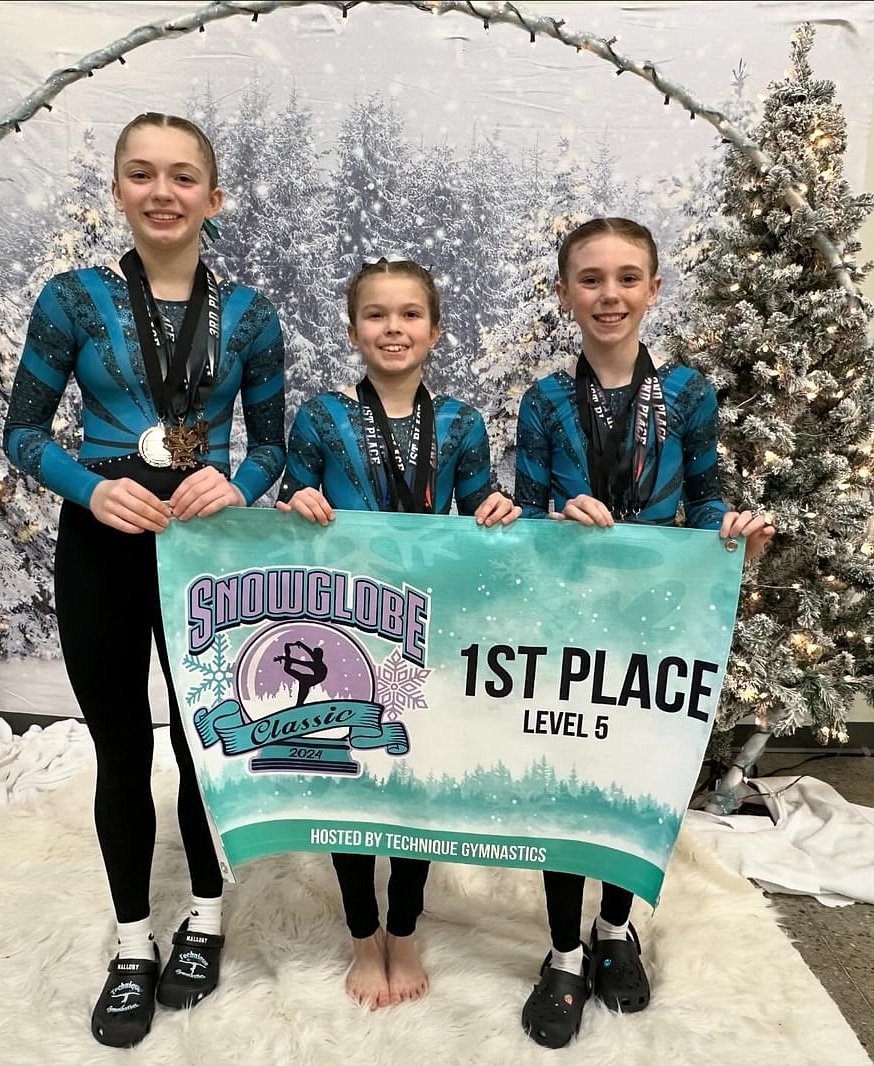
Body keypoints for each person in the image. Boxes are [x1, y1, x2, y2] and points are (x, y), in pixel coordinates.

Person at [2, 112, 285, 1048]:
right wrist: (90, 488)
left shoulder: (250, 314)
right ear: (119, 189)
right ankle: (132, 943)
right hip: (103, 549)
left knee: (208, 740)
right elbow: (25, 434)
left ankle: (203, 919)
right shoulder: (71, 300)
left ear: (214, 195)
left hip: (208, 552)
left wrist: (237, 481)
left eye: (182, 176)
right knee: (121, 748)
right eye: (142, 174)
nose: (162, 192)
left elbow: (274, 443)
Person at [513, 217, 774, 1049]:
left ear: (654, 290)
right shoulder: (545, 400)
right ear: (564, 294)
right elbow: (518, 513)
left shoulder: (691, 394)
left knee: (635, 774)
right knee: (566, 778)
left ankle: (613, 930)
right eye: (590, 279)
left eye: (628, 278)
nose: (609, 294)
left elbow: (703, 495)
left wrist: (728, 525)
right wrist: (553, 514)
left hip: (654, 618)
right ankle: (560, 952)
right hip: (569, 616)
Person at [277, 256, 520, 1010]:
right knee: (351, 779)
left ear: (435, 330)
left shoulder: (460, 423)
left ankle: (405, 929)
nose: (394, 328)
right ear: (353, 330)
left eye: (410, 314)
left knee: (412, 780)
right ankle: (361, 933)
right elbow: (294, 489)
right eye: (377, 315)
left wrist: (497, 509)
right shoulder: (320, 417)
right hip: (344, 622)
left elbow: (479, 499)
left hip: (426, 625)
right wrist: (299, 500)